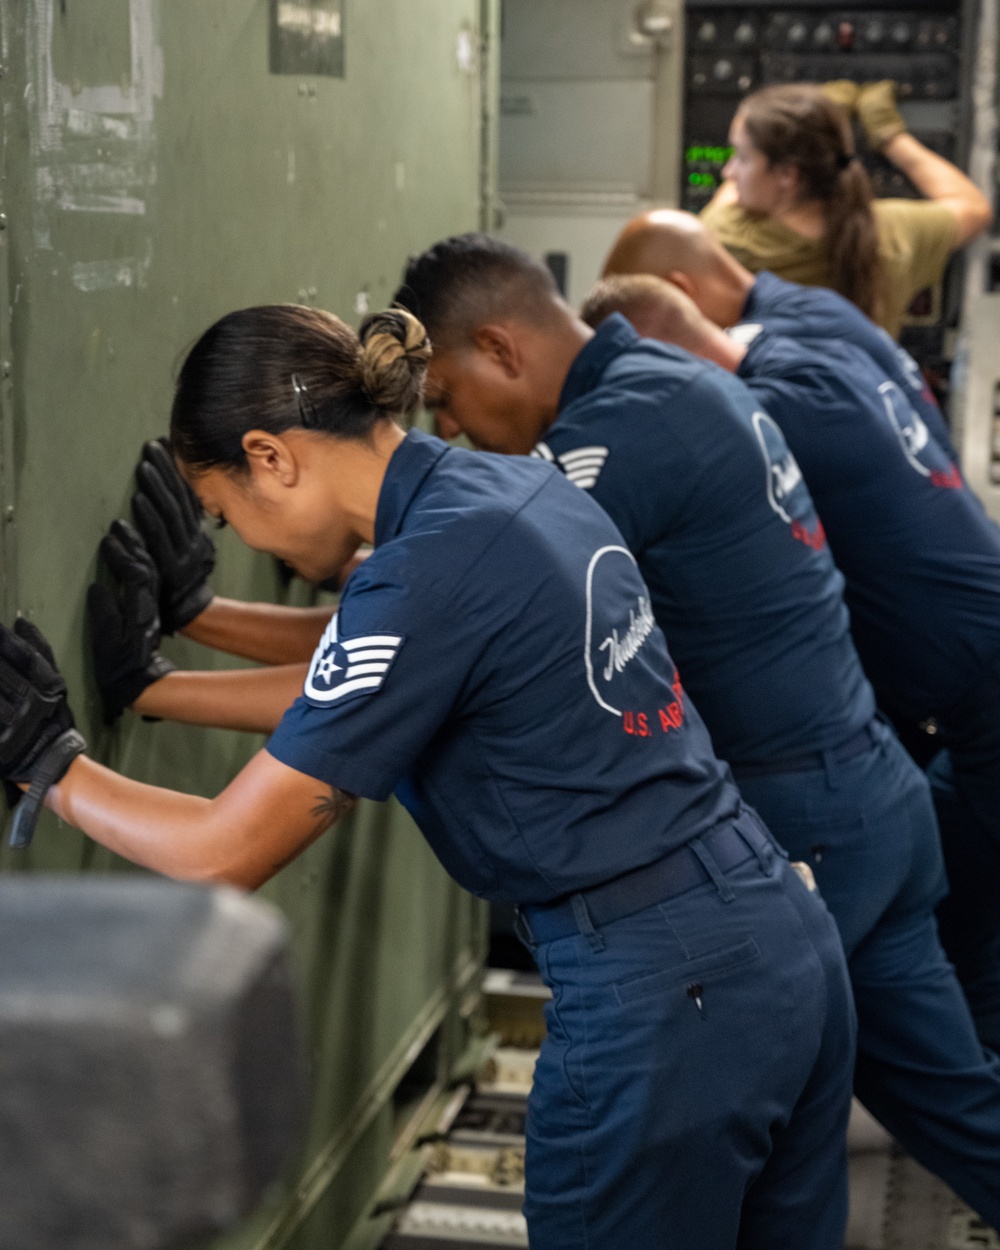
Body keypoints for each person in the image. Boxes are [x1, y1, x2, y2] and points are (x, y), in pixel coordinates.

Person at [0, 305, 856, 1250]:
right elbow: (374, 665)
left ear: (271, 457)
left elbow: (221, 853)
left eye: (225, 508)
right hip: (777, 942)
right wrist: (170, 669)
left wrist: (54, 766)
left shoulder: (430, 570)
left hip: (663, 994)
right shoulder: (505, 493)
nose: (239, 533)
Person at [394, 232, 1000, 1231]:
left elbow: (447, 600)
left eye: (445, 398)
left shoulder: (614, 433)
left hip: (799, 828)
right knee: (955, 1106)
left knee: (653, 1170)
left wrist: (210, 616)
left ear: (498, 347)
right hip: (874, 799)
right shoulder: (673, 376)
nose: (452, 429)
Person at [580, 269, 1000, 1062]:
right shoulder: (814, 351)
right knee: (934, 992)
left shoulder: (757, 414)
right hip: (936, 712)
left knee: (958, 963)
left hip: (966, 707)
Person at [698, 82, 992, 338]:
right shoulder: (893, 232)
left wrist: (821, 113)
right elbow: (973, 207)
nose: (729, 171)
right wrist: (890, 136)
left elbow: (726, 201)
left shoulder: (730, 238)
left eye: (742, 157)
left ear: (788, 175)